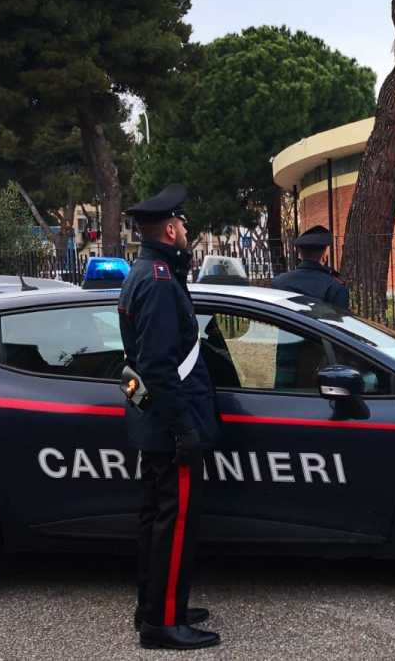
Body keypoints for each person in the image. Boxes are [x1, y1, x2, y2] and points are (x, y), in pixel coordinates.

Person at [118, 185, 221, 651]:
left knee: (156, 520)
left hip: (153, 422)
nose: (186, 231)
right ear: (171, 228)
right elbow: (159, 365)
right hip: (168, 427)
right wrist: (184, 428)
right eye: (183, 224)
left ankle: (157, 606)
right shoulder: (159, 282)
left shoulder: (147, 272)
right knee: (174, 523)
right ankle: (163, 624)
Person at [272, 225, 349, 309]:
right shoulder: (334, 287)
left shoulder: (278, 282)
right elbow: (342, 320)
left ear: (300, 253)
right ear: (324, 253)